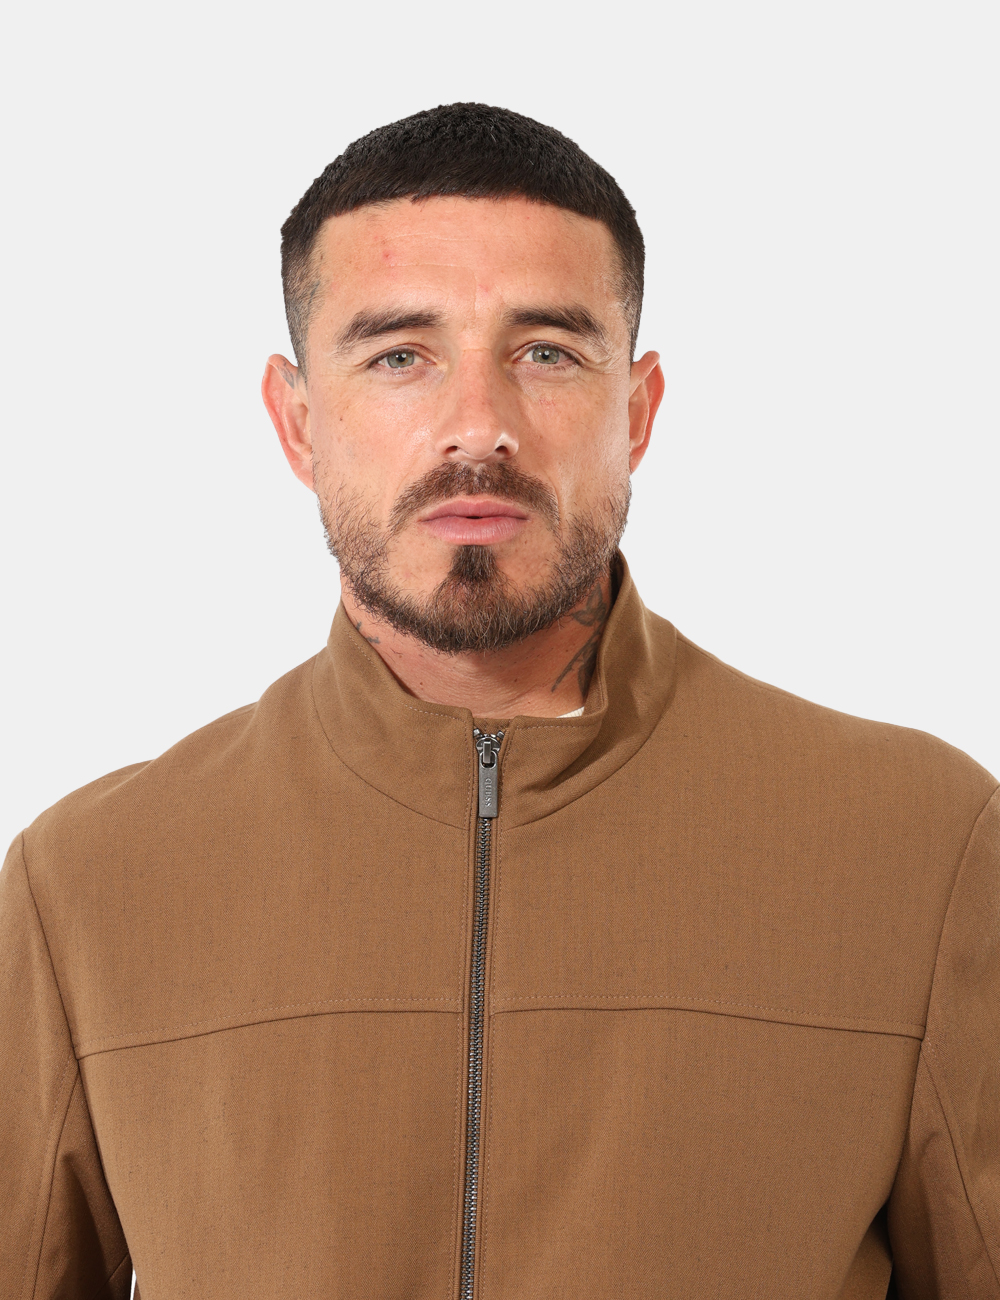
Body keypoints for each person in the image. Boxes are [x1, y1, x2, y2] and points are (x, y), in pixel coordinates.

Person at [0, 103, 996, 1300]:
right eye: (399, 355)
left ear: (636, 412)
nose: (478, 426)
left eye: (546, 353)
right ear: (298, 422)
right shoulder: (88, 886)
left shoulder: (922, 847)